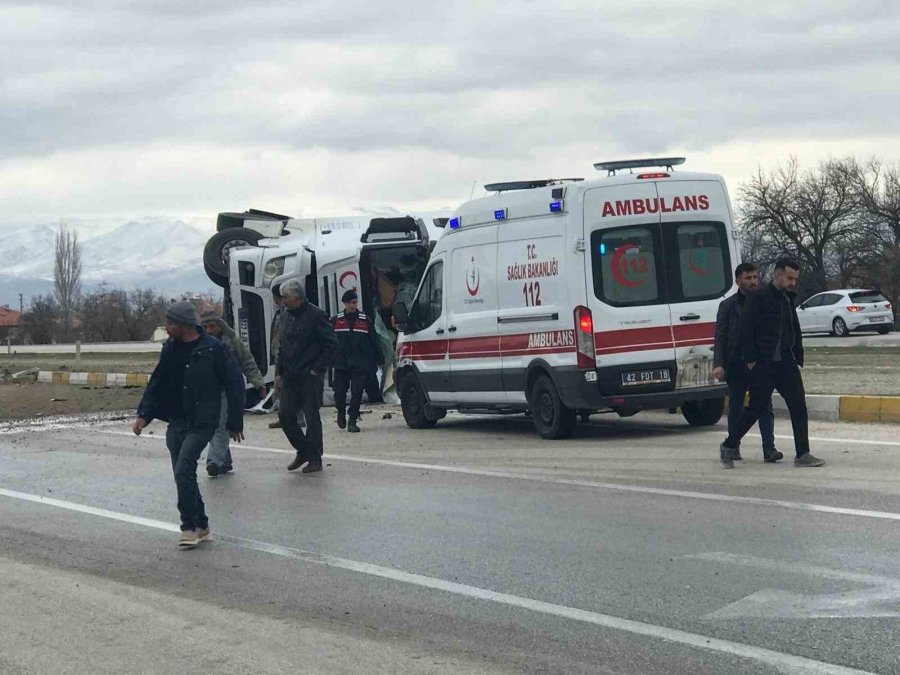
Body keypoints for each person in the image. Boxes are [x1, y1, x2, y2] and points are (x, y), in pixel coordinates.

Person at [133, 301, 245, 547]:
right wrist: (144, 415)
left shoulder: (213, 348)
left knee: (184, 469)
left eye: (170, 323)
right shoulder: (170, 348)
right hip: (176, 421)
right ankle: (202, 525)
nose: (166, 327)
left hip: (203, 421)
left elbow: (235, 382)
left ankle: (189, 527)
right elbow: (158, 382)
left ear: (184, 325)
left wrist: (235, 421)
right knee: (182, 474)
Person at [719, 257, 825, 468]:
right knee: (756, 407)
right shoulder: (759, 297)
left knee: (798, 406)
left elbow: (793, 328)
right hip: (764, 363)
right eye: (789, 278)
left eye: (795, 279)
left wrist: (797, 354)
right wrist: (750, 359)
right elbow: (746, 330)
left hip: (786, 362)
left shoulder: (787, 298)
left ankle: (803, 453)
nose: (793, 282)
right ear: (778, 275)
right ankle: (729, 445)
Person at [713, 263, 781, 466]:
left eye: (755, 277)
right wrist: (719, 363)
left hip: (760, 362)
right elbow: (720, 336)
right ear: (738, 281)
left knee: (764, 405)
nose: (753, 282)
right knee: (736, 406)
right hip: (736, 363)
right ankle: (732, 446)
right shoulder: (728, 306)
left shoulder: (764, 302)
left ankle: (769, 449)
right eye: (748, 278)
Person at [275, 279, 337, 473]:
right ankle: (304, 450)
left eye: (285, 297)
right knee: (285, 415)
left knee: (312, 417)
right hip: (290, 375)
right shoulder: (284, 317)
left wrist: (317, 369)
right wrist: (278, 372)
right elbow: (282, 347)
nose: (282, 301)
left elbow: (331, 344)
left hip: (310, 375)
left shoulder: (316, 315)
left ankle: (315, 458)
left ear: (297, 297)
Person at [200, 311, 267, 476]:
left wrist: (259, 383)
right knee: (210, 425)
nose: (209, 330)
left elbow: (247, 362)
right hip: (206, 392)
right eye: (205, 327)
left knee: (220, 425)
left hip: (227, 390)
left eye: (212, 326)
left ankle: (214, 461)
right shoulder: (198, 343)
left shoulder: (231, 342)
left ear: (220, 326)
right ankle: (225, 461)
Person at [331, 289, 383, 432]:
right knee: (339, 392)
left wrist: (379, 359)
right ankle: (341, 412)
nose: (352, 305)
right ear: (345, 304)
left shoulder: (365, 320)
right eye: (350, 303)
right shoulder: (336, 321)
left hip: (360, 363)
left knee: (357, 392)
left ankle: (352, 420)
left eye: (354, 302)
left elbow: (374, 341)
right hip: (341, 363)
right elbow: (328, 341)